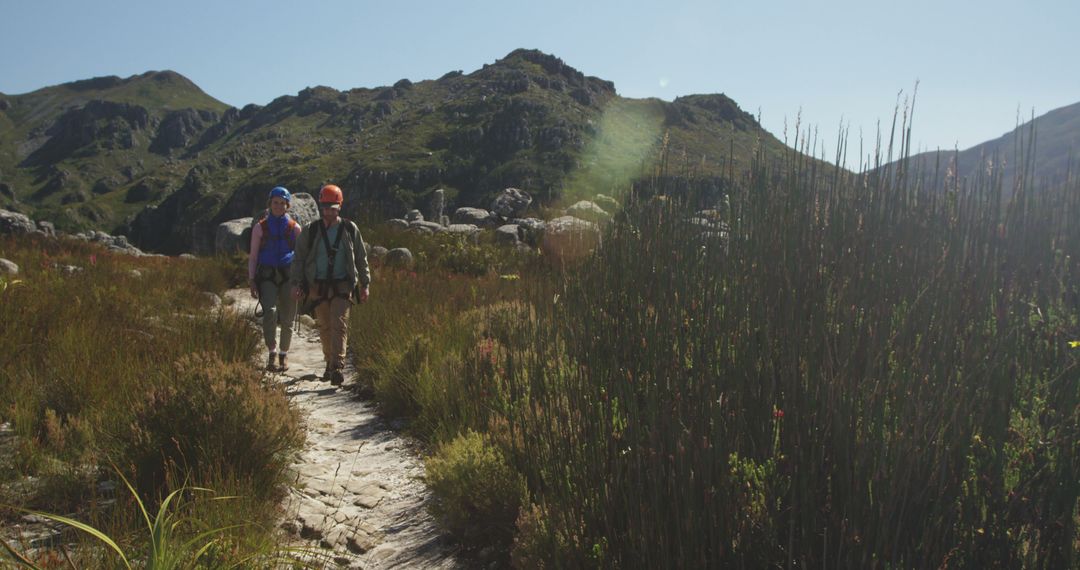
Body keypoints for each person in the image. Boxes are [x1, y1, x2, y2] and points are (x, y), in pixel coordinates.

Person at [291, 184, 371, 385]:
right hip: (317, 286)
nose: (328, 211)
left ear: (340, 207)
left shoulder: (350, 229)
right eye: (325, 207)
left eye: (332, 207)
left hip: (343, 285)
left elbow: (361, 257)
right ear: (321, 207)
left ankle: (337, 366)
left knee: (339, 324)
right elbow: (299, 258)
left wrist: (365, 283)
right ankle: (329, 362)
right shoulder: (311, 231)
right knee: (325, 326)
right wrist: (297, 283)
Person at [249, 186, 302, 372]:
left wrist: (300, 280)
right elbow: (254, 256)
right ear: (270, 204)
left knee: (288, 317)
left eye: (282, 203)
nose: (278, 206)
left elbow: (302, 256)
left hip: (289, 275)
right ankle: (272, 351)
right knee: (269, 312)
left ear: (287, 205)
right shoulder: (260, 228)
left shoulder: (294, 228)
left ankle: (283, 354)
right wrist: (251, 279)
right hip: (267, 276)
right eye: (275, 203)